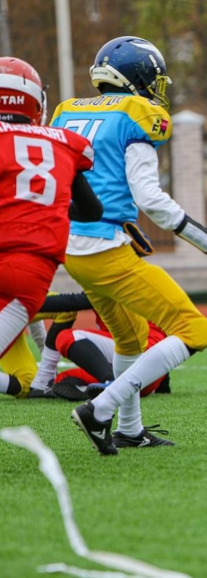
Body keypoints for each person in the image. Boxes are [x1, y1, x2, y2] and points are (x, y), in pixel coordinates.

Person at [49, 36, 207, 455]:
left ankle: (129, 428)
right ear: (138, 78)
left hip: (74, 248)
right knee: (195, 329)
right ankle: (99, 410)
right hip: (105, 250)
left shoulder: (68, 111)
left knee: (131, 339)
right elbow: (149, 198)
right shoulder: (137, 113)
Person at [0, 56, 102, 396]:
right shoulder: (64, 142)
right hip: (31, 271)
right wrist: (47, 211)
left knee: (24, 381)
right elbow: (92, 210)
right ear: (35, 102)